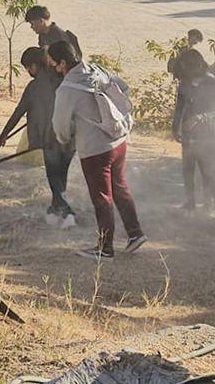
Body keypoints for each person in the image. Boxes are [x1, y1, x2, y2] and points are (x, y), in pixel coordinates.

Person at [50, 41, 147, 262]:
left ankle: (105, 248)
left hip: (95, 150)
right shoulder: (96, 70)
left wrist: (65, 138)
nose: (52, 68)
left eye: (53, 63)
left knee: (102, 197)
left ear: (63, 63)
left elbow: (61, 126)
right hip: (118, 140)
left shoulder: (66, 90)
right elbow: (122, 86)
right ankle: (135, 233)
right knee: (120, 187)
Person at [0, 47, 76, 228]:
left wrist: (3, 135)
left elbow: (18, 112)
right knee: (60, 176)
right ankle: (54, 210)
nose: (28, 72)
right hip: (70, 139)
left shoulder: (34, 87)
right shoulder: (61, 79)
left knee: (54, 178)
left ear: (34, 65)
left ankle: (67, 213)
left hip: (50, 140)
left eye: (28, 68)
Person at [172, 48, 215, 213]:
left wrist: (199, 118)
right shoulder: (185, 83)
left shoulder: (213, 83)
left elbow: (214, 110)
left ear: (196, 65)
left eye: (187, 68)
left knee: (207, 170)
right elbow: (179, 107)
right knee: (188, 169)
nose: (185, 72)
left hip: (208, 134)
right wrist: (175, 128)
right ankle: (190, 202)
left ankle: (209, 203)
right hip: (188, 134)